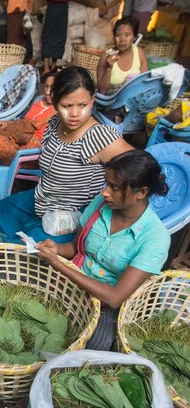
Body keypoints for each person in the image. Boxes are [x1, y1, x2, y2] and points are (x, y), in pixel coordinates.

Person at [36, 150, 170, 351]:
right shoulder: (102, 205)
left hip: (104, 304)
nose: (105, 192)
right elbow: (75, 246)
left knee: (92, 346)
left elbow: (115, 297)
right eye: (106, 184)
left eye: (114, 187)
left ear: (141, 192)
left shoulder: (155, 239)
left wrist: (57, 264)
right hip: (71, 281)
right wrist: (57, 249)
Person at [0, 66, 133, 244]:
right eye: (67, 106)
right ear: (56, 102)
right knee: (2, 210)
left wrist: (114, 198)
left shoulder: (99, 136)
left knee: (31, 244)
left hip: (71, 213)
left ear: (92, 100)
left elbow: (138, 165)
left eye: (83, 105)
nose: (74, 114)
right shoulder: (54, 122)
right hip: (42, 198)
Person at [97, 16, 148, 94]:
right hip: (111, 102)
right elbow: (103, 91)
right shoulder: (106, 57)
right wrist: (108, 68)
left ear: (134, 37)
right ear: (114, 37)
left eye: (127, 35)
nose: (122, 39)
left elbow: (145, 83)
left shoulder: (139, 53)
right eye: (118, 35)